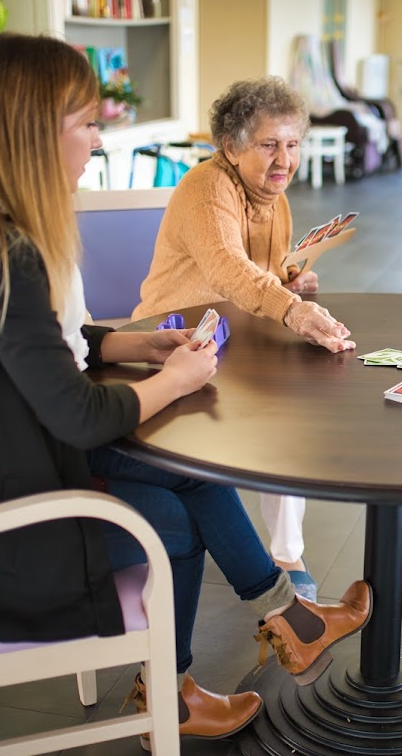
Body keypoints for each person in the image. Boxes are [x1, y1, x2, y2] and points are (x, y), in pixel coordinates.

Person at [0, 33, 371, 748]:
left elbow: (42, 351)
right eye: (88, 124)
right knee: (172, 520)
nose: (97, 143)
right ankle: (170, 695)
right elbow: (75, 414)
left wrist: (133, 344)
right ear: (34, 134)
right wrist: (173, 380)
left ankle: (285, 625)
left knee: (189, 473)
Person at [132, 77, 353, 601]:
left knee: (291, 407)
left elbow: (262, 274)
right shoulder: (207, 188)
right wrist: (292, 308)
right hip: (171, 343)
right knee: (280, 412)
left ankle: (286, 554)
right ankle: (283, 571)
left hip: (229, 339)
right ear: (230, 147)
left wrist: (290, 282)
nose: (285, 161)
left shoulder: (273, 198)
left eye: (293, 144)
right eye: (269, 145)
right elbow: (230, 270)